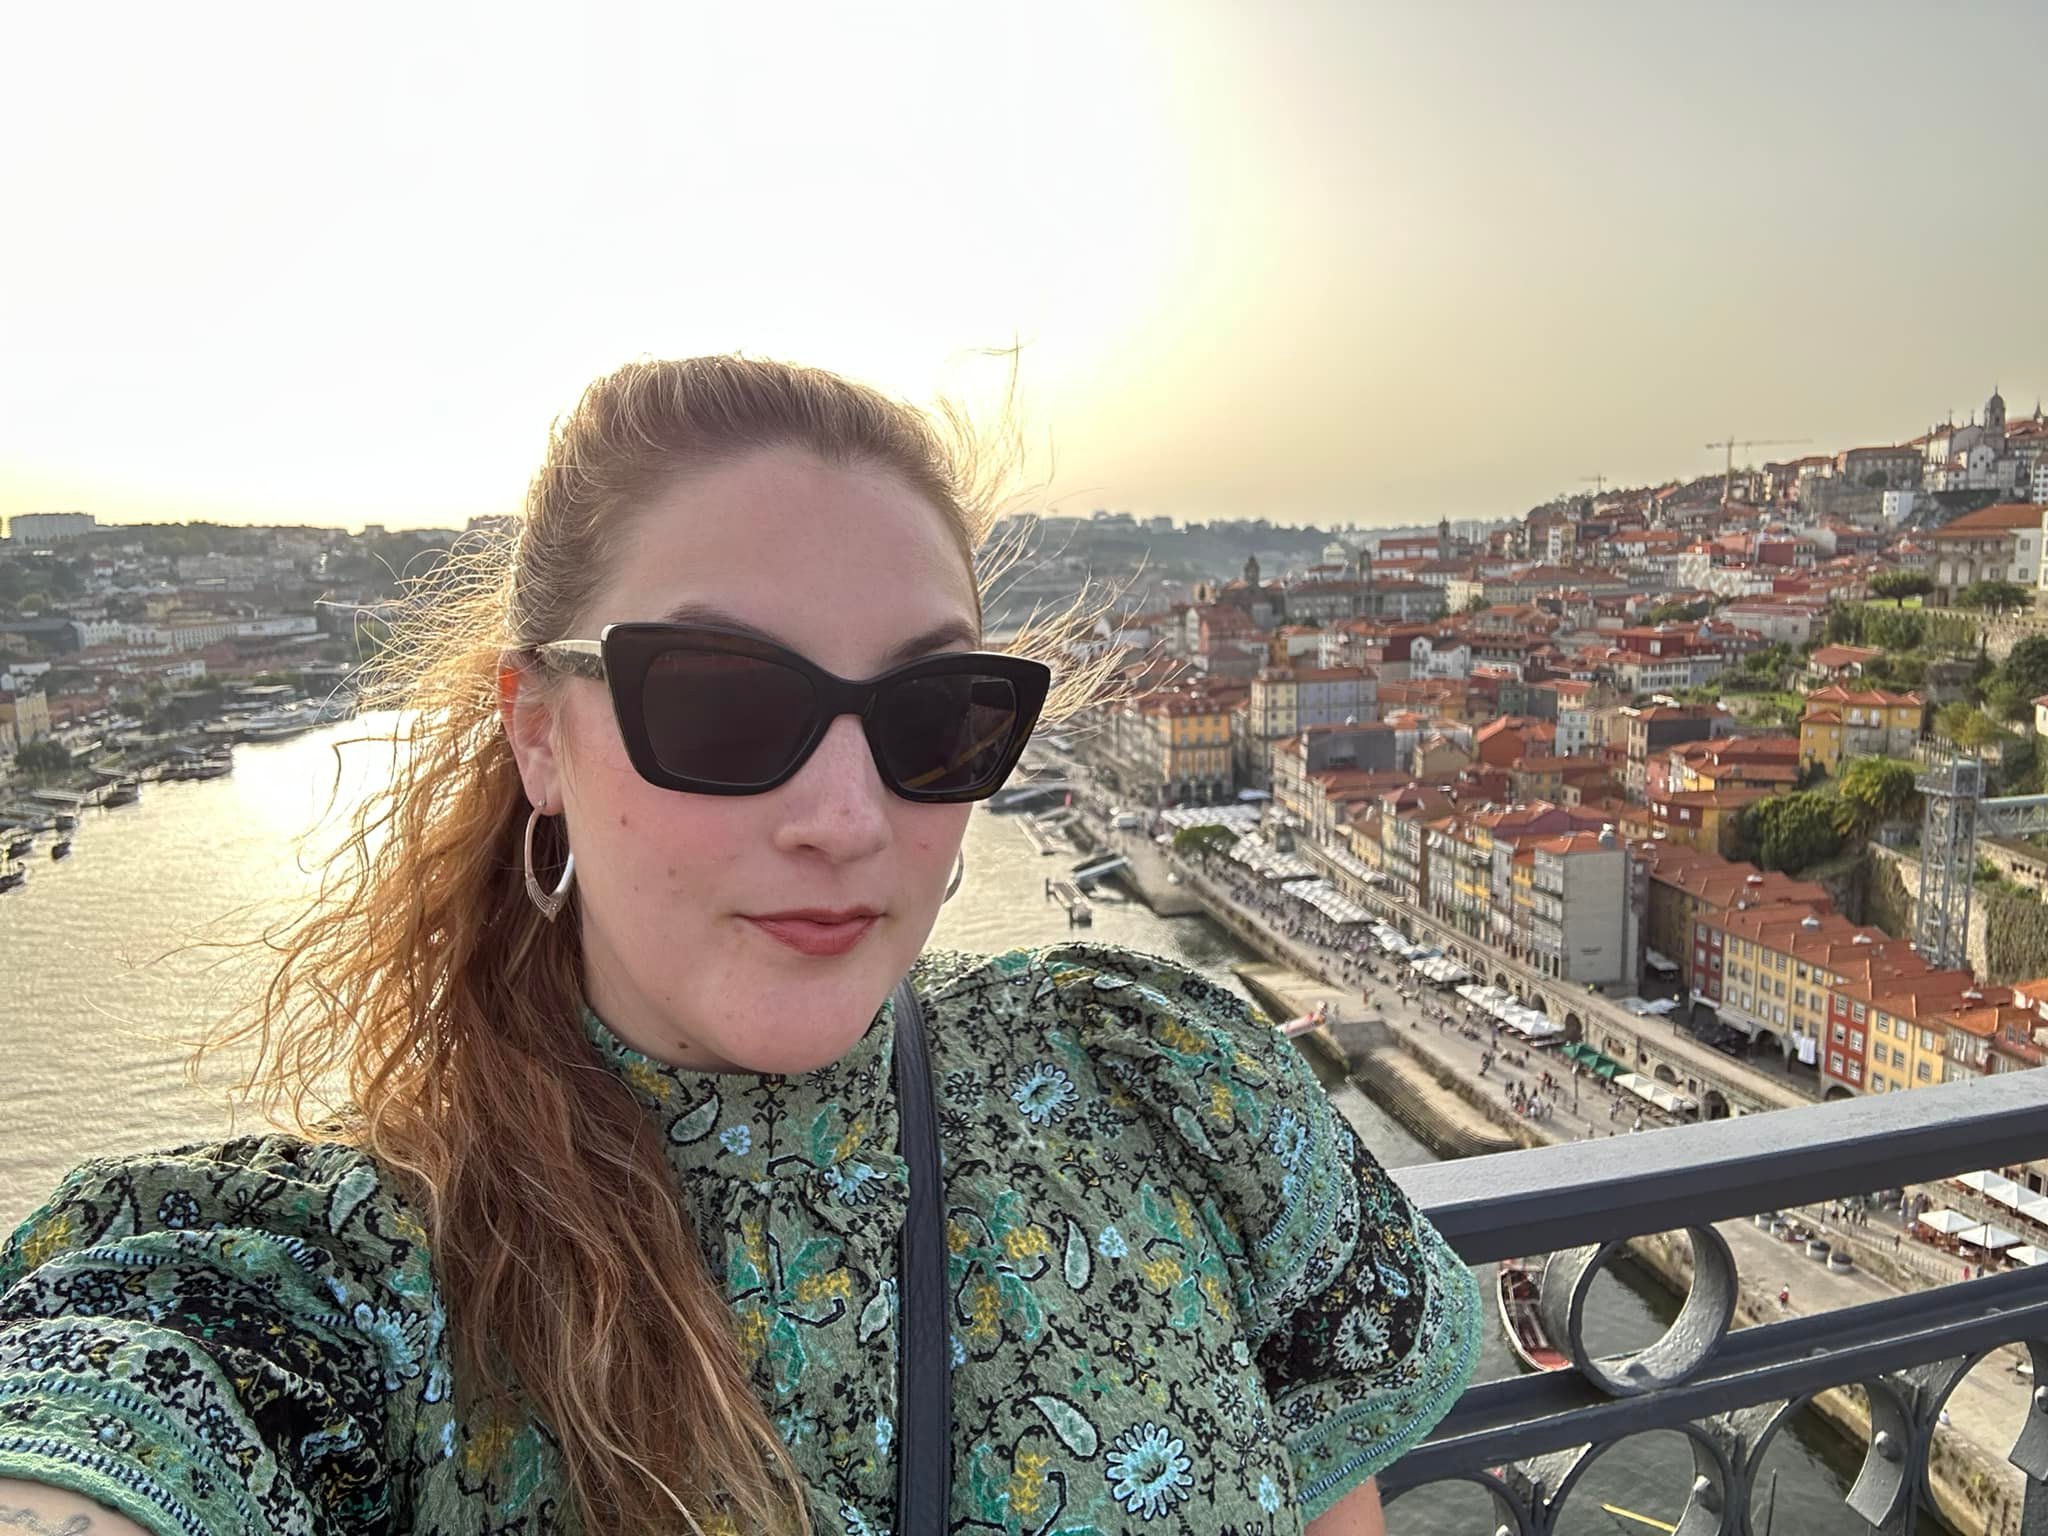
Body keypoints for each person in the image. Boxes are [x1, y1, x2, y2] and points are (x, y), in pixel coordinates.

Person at [0, 357, 1480, 1536]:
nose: (846, 816)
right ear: (538, 734)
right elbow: (122, 1413)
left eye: (932, 720)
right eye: (717, 704)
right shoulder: (349, 1280)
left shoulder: (1169, 1089)